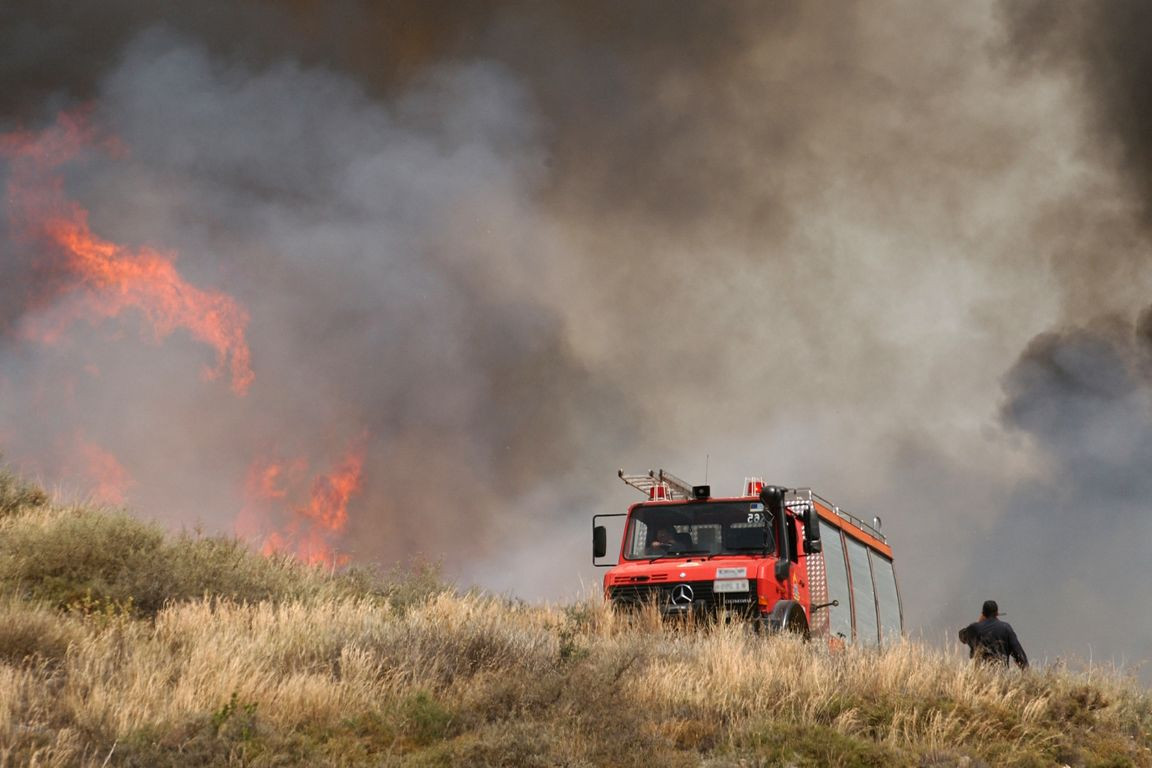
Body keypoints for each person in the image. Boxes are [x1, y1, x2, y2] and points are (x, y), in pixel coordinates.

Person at [958, 600, 1028, 669]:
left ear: (983, 613)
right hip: (1000, 676)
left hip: (980, 675)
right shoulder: (1006, 628)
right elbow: (1019, 654)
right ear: (997, 613)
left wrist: (979, 622)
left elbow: (962, 637)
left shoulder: (975, 628)